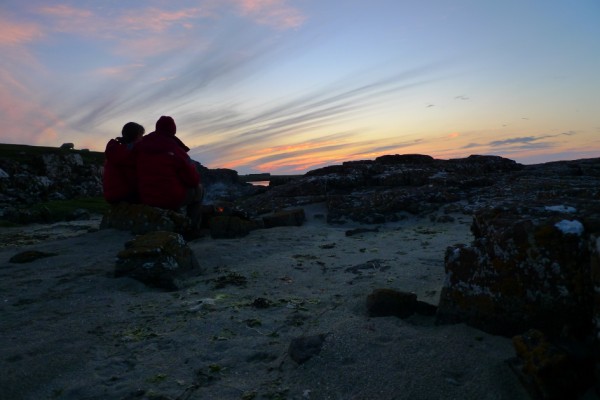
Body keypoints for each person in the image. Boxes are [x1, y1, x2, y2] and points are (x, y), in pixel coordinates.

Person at [134, 116, 204, 232]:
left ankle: (174, 218)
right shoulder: (176, 150)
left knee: (172, 189)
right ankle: (192, 228)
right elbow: (193, 179)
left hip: (146, 197)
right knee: (199, 189)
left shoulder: (141, 146)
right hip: (169, 198)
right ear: (173, 130)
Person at [102, 122, 145, 204]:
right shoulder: (130, 153)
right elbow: (133, 179)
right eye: (141, 135)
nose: (142, 138)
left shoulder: (116, 149)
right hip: (123, 195)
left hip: (111, 195)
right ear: (135, 136)